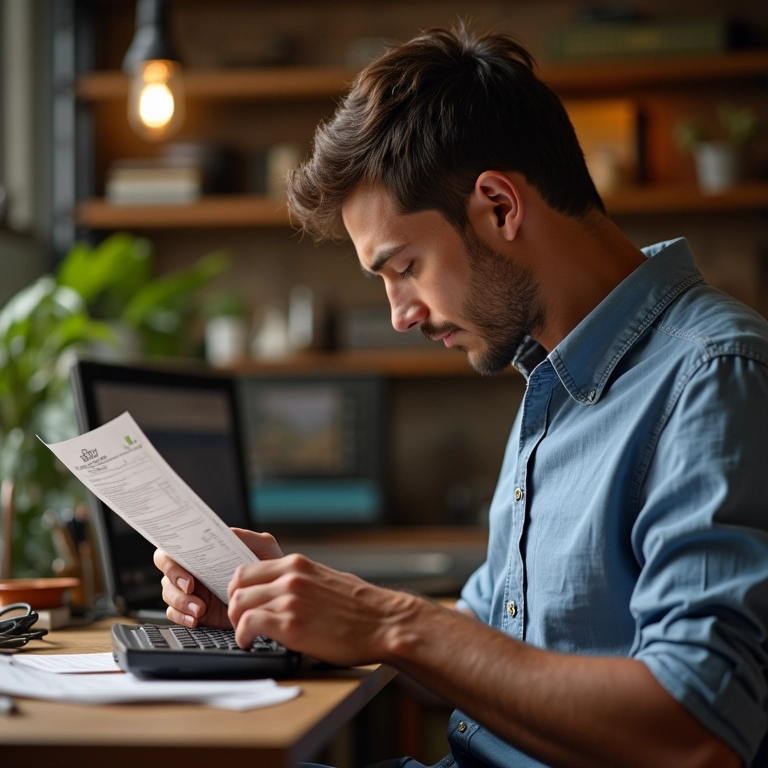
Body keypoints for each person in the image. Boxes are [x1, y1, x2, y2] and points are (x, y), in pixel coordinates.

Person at [154, 26, 768, 768]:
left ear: (499, 207)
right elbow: (491, 634)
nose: (399, 313)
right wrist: (299, 608)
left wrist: (391, 621)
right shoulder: (554, 375)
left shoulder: (713, 377)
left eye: (404, 266)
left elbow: (695, 732)